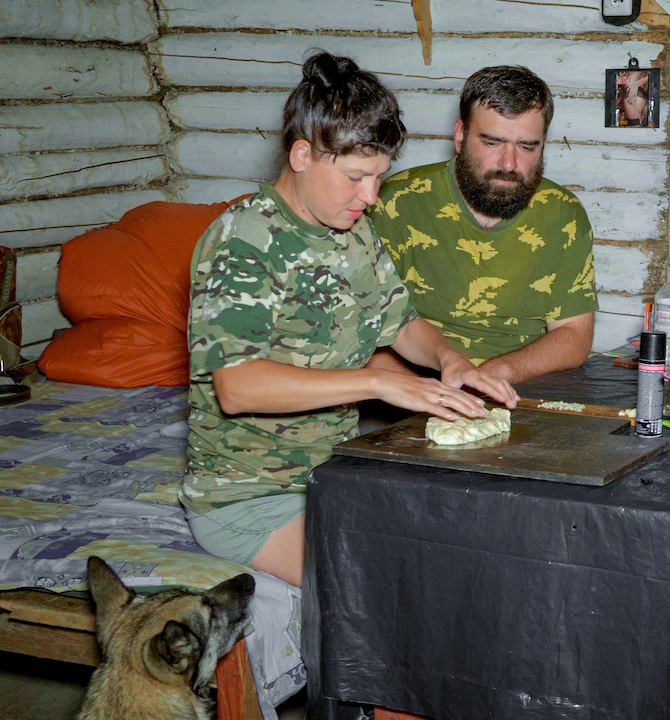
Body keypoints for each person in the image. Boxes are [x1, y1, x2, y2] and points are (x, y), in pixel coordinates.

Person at [181, 53, 518, 588]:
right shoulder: (243, 242)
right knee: (386, 594)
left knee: (467, 544)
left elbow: (402, 322)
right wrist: (381, 383)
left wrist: (452, 360)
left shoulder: (351, 230)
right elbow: (238, 386)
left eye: (381, 177)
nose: (371, 196)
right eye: (357, 177)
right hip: (249, 498)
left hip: (330, 476)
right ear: (301, 155)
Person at [366, 65, 597, 385]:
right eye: (492, 143)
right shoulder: (394, 202)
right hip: (409, 388)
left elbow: (574, 334)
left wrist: (498, 374)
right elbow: (365, 335)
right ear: (460, 136)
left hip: (516, 386)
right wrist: (433, 394)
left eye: (526, 146)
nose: (509, 163)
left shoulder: (563, 214)